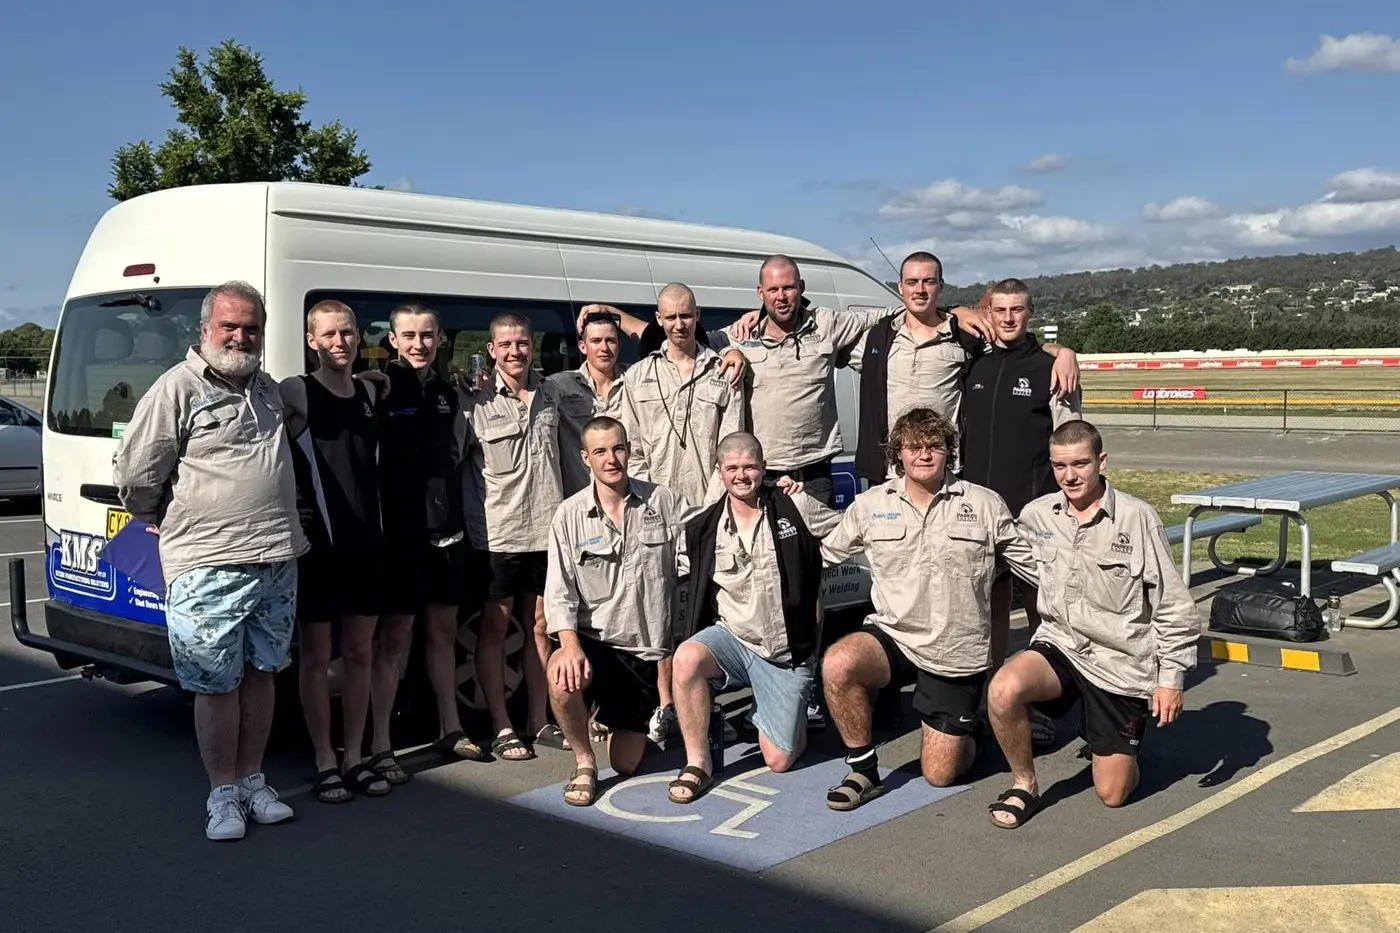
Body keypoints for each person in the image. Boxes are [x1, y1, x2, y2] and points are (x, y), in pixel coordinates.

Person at [113, 281, 306, 841]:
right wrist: (163, 518)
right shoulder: (178, 389)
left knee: (262, 673)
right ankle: (222, 793)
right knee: (216, 683)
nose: (241, 337)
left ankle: (252, 780)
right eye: (230, 327)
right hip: (208, 563)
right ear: (205, 330)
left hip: (275, 555)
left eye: (251, 328)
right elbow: (137, 475)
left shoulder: (266, 388)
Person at [816, 408, 1039, 810]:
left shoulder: (984, 504)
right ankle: (863, 770)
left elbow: (1034, 567)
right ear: (897, 453)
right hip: (895, 635)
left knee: (938, 774)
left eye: (934, 445)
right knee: (838, 663)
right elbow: (821, 557)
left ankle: (973, 728)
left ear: (949, 451)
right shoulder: (870, 506)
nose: (923, 455)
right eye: (913, 447)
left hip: (954, 650)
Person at [985, 420, 1202, 829]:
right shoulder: (1038, 515)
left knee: (1113, 793)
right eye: (1060, 465)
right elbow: (1007, 551)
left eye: (1080, 464)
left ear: (1101, 461)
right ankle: (1024, 783)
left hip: (1119, 662)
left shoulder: (1138, 519)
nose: (1070, 476)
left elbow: (1173, 605)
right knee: (1002, 688)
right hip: (1062, 645)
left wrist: (1171, 678)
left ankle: (1117, 743)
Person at [667, 432, 839, 804]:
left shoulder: (795, 506)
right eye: (732, 468)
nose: (741, 476)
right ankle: (698, 762)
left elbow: (846, 532)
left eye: (749, 467)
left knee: (779, 760)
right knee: (687, 658)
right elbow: (678, 575)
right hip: (734, 640)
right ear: (720, 472)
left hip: (785, 652)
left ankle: (788, 714)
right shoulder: (704, 527)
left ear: (764, 469)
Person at [959, 278, 1083, 749]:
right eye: (1000, 310)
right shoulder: (974, 362)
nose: (1008, 318)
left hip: (1032, 515)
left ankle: (1036, 704)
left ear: (1030, 313)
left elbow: (1072, 443)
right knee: (985, 610)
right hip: (976, 513)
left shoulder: (1052, 366)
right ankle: (992, 697)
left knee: (1039, 611)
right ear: (988, 312)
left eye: (1017, 310)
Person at [543, 416, 694, 805]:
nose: (611, 459)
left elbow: (706, 544)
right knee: (561, 675)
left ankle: (615, 720)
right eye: (600, 452)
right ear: (585, 458)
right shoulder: (568, 516)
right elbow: (559, 593)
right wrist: (570, 646)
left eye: (618, 448)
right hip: (594, 642)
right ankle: (583, 761)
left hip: (643, 655)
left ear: (628, 451)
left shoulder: (665, 502)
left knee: (626, 764)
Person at [281, 300, 394, 803]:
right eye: (328, 335)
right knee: (314, 658)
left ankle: (356, 755)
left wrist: (375, 378)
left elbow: (374, 383)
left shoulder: (369, 390)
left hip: (367, 546)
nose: (339, 342)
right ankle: (324, 759)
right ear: (311, 341)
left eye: (347, 333)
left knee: (359, 654)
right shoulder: (297, 393)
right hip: (318, 549)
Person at [851, 251, 1080, 486]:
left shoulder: (965, 337)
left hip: (946, 473)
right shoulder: (877, 338)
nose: (919, 289)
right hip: (890, 474)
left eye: (928, 281)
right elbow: (826, 347)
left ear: (940, 286)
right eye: (912, 282)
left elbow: (1013, 348)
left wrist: (1062, 352)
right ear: (900, 287)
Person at [377, 302, 483, 771]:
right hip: (399, 536)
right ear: (393, 341)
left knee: (443, 632)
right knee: (395, 639)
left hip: (447, 532)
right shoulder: (378, 387)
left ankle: (450, 727)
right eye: (409, 336)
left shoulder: (449, 391)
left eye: (427, 336)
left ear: (440, 339)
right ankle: (381, 743)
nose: (419, 344)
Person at [462, 312, 567, 761]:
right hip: (499, 534)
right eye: (505, 344)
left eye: (522, 343)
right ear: (491, 349)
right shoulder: (474, 400)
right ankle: (502, 726)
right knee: (496, 630)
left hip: (548, 530)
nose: (515, 352)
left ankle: (539, 721)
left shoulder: (554, 394)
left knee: (542, 628)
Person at [619, 283, 748, 506]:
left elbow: (732, 449)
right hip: (653, 506)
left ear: (697, 315)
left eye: (686, 316)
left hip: (711, 504)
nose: (679, 325)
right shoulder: (637, 376)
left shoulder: (724, 372)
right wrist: (649, 500)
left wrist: (711, 506)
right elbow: (633, 450)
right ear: (659, 319)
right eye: (671, 317)